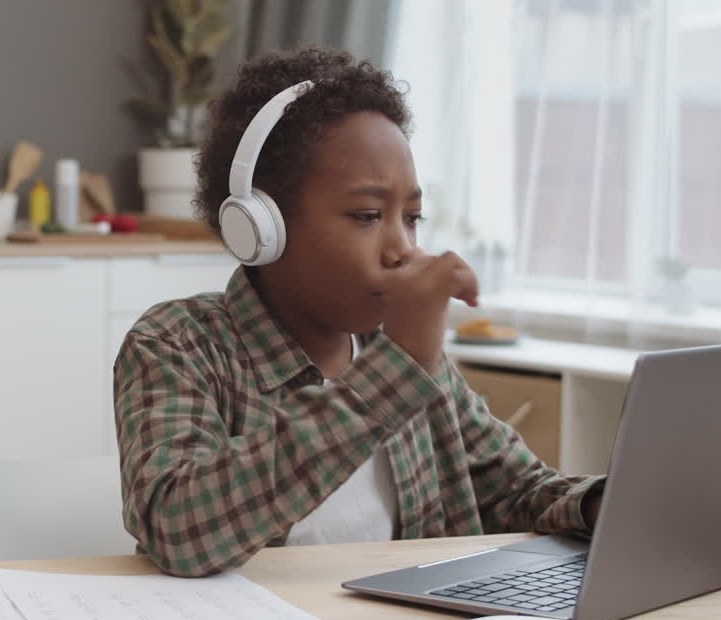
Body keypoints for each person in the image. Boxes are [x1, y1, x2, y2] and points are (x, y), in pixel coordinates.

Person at [113, 48, 604, 578]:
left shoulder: (409, 361)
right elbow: (178, 529)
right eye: (368, 215)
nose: (403, 249)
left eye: (412, 217)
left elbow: (518, 491)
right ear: (262, 227)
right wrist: (395, 373)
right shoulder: (178, 344)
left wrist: (604, 504)